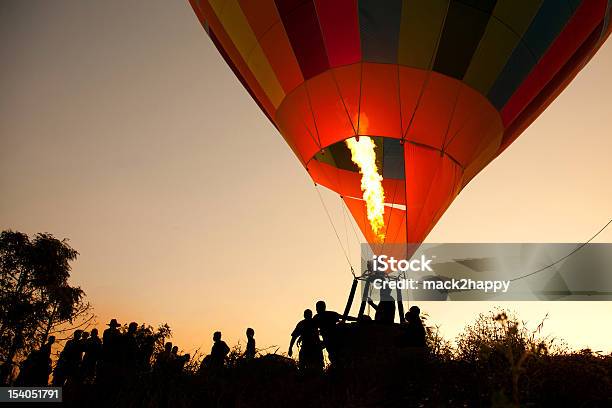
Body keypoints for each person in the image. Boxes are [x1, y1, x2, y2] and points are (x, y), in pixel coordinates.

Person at [312, 301, 356, 367]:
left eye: (318, 307)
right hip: (333, 340)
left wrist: (357, 319)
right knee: (335, 356)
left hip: (333, 340)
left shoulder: (318, 317)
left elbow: (344, 317)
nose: (317, 309)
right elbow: (345, 317)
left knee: (335, 357)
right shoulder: (329, 314)